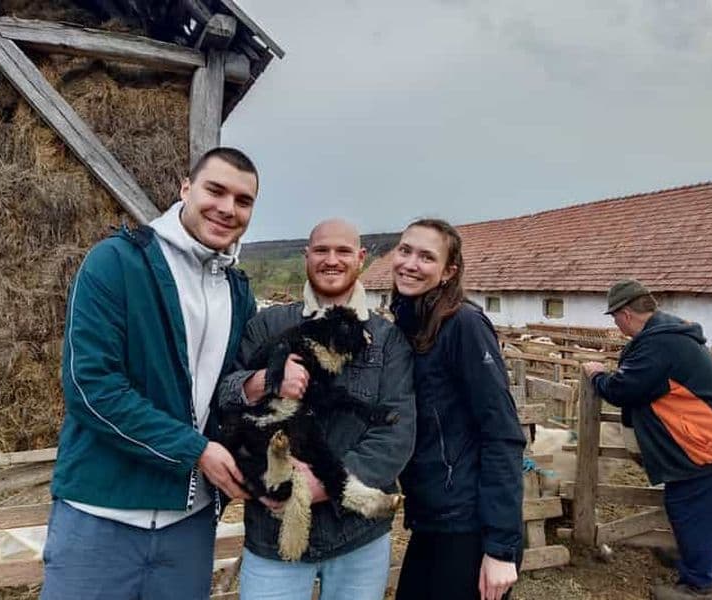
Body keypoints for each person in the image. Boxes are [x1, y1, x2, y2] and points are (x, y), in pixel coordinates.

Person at [41, 147, 260, 600]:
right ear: (185, 189)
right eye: (215, 190)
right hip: (99, 514)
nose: (227, 208)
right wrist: (196, 451)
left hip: (189, 527)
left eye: (243, 200)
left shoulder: (239, 291)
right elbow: (91, 388)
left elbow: (226, 396)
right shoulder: (116, 263)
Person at [218, 219, 416, 600]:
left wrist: (321, 483)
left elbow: (397, 432)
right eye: (321, 250)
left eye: (343, 251)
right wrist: (264, 380)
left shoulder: (387, 340)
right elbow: (225, 396)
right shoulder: (268, 325)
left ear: (361, 258)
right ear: (305, 255)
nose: (332, 260)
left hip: (357, 536)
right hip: (273, 533)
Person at [390, 218, 526, 600]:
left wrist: (500, 548)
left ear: (448, 271)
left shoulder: (463, 325)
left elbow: (501, 432)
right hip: (433, 517)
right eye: (405, 250)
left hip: (468, 523)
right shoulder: (409, 322)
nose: (411, 264)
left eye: (426, 257)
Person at [583, 279, 712, 600]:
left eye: (614, 317)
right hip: (702, 438)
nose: (616, 324)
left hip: (703, 443)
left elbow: (623, 389)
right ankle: (690, 560)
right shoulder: (667, 335)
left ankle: (698, 586)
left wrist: (596, 375)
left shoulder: (660, 344)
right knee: (690, 505)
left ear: (626, 314)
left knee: (692, 508)